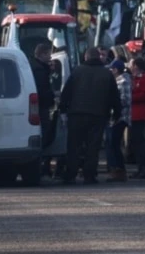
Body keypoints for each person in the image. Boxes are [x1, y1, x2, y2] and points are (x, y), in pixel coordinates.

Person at [58, 47, 121, 184]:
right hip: (98, 115)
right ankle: (89, 175)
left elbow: (66, 93)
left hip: (76, 115)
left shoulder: (77, 71)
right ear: (98, 57)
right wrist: (116, 114)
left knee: (74, 146)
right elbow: (114, 96)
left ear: (85, 57)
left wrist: (63, 110)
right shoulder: (107, 74)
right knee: (93, 147)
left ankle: (71, 174)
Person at [30, 43, 56, 178]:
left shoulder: (36, 68)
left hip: (39, 107)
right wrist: (51, 99)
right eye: (48, 54)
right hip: (42, 108)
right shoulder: (40, 71)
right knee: (45, 135)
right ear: (42, 54)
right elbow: (43, 91)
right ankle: (41, 165)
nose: (50, 57)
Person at [105, 59, 131, 182]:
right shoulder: (116, 81)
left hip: (120, 118)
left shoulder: (123, 82)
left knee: (114, 144)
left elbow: (126, 100)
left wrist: (113, 104)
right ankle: (116, 170)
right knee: (112, 144)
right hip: (114, 118)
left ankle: (119, 170)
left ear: (115, 70)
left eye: (111, 69)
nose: (110, 71)